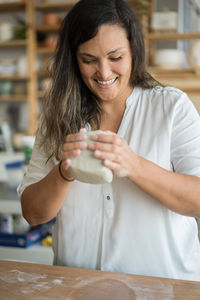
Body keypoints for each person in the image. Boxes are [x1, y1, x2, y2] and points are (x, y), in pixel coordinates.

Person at [18, 0, 200, 281]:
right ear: (73, 59)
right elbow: (33, 214)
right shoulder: (57, 115)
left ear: (134, 52)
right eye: (88, 60)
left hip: (165, 287)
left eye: (116, 57)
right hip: (77, 287)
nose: (103, 73)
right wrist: (64, 173)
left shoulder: (171, 107)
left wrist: (134, 166)